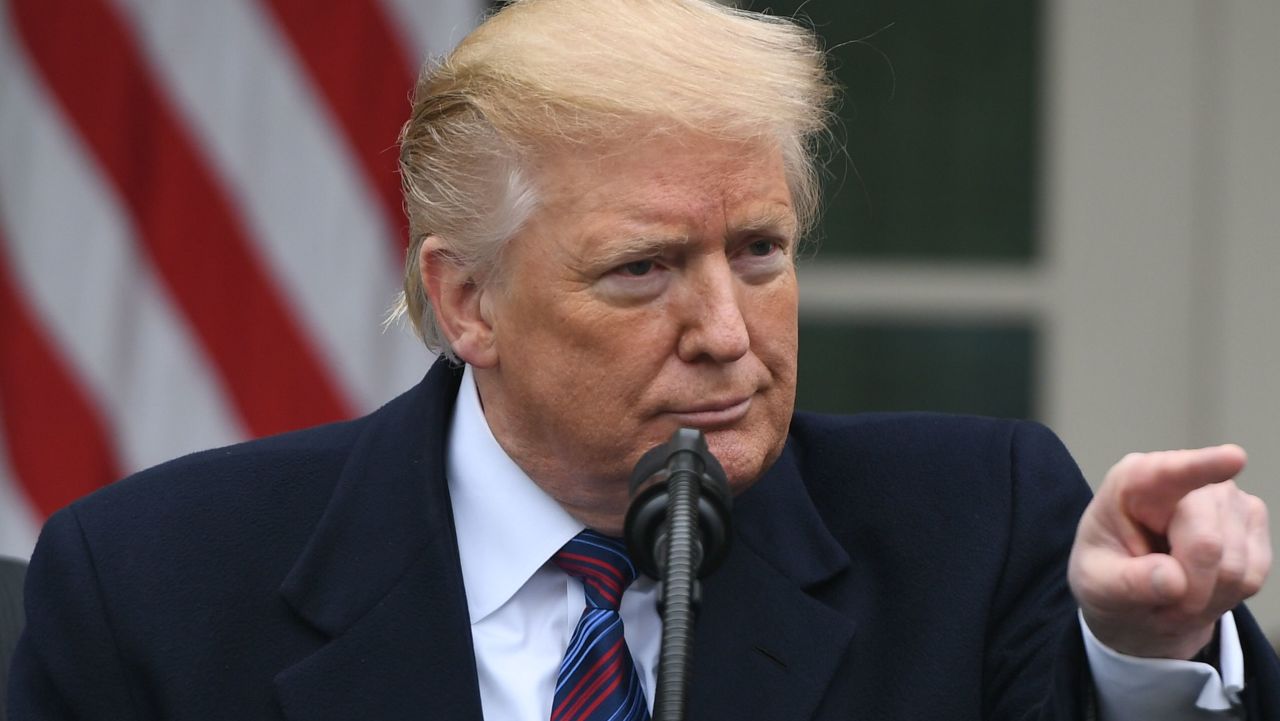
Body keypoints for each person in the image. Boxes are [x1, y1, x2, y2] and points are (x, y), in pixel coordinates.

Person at [8, 0, 1279, 719]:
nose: (726, 330)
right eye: (642, 269)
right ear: (468, 303)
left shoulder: (971, 525)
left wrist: (1144, 655)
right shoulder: (153, 583)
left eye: (762, 250)